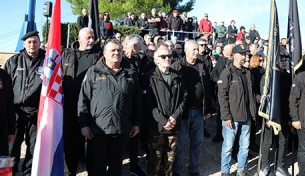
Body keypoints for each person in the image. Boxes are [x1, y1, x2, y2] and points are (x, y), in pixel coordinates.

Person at [78, 39, 142, 176]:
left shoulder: (131, 72)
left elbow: (137, 100)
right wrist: (84, 124)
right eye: (113, 50)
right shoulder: (93, 72)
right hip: (99, 129)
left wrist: (136, 123)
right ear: (104, 52)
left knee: (116, 168)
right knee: (97, 168)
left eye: (119, 50)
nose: (116, 53)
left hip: (122, 128)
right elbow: (83, 100)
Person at [63, 27, 102, 175]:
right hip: (70, 108)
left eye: (93, 38)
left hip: (92, 109)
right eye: (88, 38)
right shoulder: (67, 54)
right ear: (79, 39)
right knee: (70, 145)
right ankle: (70, 172)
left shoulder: (99, 55)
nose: (91, 40)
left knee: (93, 145)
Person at [142, 45, 186, 176]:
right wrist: (163, 120)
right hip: (157, 127)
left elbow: (184, 98)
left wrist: (174, 117)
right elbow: (148, 104)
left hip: (174, 126)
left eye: (169, 56)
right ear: (156, 59)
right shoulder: (149, 77)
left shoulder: (178, 76)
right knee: (155, 162)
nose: (167, 58)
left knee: (169, 162)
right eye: (163, 56)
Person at [5, 30, 44, 176]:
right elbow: (5, 87)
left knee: (34, 147)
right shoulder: (13, 61)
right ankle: (6, 173)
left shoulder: (48, 62)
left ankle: (29, 172)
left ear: (40, 43)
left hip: (36, 112)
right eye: (29, 42)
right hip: (15, 112)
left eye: (35, 42)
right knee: (10, 146)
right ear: (24, 44)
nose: (32, 44)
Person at [174, 40, 213, 176]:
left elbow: (208, 88)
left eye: (197, 49)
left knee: (197, 143)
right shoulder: (177, 66)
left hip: (198, 111)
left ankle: (194, 169)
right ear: (186, 50)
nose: (197, 52)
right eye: (194, 50)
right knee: (179, 144)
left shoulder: (202, 66)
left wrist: (208, 108)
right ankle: (177, 170)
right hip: (182, 113)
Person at [217, 44, 257, 176]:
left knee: (245, 146)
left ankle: (241, 169)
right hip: (232, 117)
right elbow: (222, 96)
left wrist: (260, 98)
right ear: (234, 55)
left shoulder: (248, 73)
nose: (244, 57)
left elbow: (251, 93)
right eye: (242, 54)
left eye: (245, 54)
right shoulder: (226, 73)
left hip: (246, 115)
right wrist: (226, 116)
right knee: (228, 147)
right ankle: (225, 171)